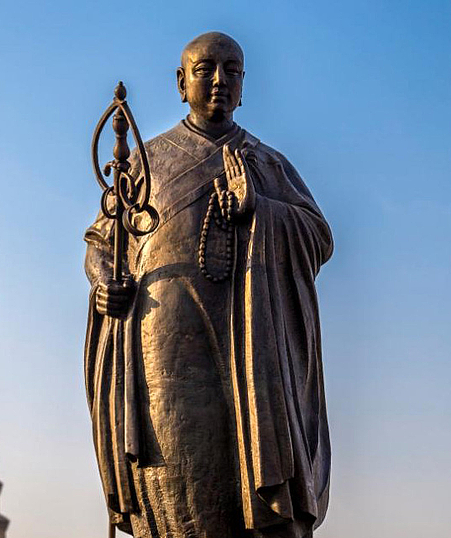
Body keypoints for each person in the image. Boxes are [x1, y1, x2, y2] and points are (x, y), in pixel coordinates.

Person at [84, 32, 333, 538]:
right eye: (205, 69)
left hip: (248, 360)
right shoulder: (145, 164)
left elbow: (318, 237)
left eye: (232, 70)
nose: (219, 80)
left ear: (244, 86)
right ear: (181, 82)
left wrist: (260, 209)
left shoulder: (266, 165)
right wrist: (104, 280)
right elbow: (101, 241)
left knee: (245, 491)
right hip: (164, 358)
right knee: (175, 493)